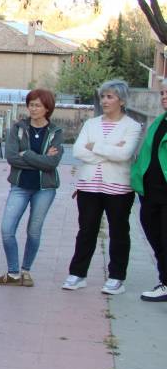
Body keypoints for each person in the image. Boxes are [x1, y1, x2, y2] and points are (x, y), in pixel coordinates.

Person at [64, 79, 141, 293]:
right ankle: (77, 274)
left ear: (122, 101)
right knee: (86, 231)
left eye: (110, 97)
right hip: (89, 186)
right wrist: (110, 149)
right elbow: (78, 151)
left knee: (118, 232)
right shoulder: (91, 124)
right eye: (102, 97)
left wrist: (95, 146)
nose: (104, 101)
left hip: (119, 188)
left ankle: (116, 277)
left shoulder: (132, 126)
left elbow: (124, 154)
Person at [0, 88, 64, 287]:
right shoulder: (18, 128)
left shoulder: (55, 132)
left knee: (34, 231)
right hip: (20, 186)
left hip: (45, 189)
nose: (33, 109)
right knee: (7, 229)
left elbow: (52, 163)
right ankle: (13, 273)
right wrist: (41, 159)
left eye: (38, 105)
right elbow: (12, 157)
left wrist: (27, 154)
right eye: (31, 104)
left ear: (47, 108)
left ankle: (26, 271)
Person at [132, 83, 167, 301]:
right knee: (155, 238)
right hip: (150, 193)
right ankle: (165, 281)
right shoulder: (159, 121)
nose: (163, 96)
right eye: (162, 93)